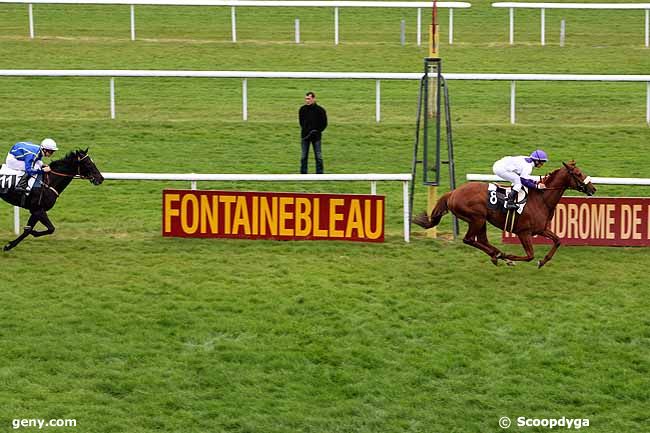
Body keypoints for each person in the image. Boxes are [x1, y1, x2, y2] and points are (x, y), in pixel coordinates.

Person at [298, 91, 327, 174]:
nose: (307, 101)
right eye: (306, 99)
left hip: (316, 137)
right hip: (305, 137)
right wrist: (306, 132)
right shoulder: (302, 109)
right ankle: (303, 173)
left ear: (313, 99)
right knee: (303, 156)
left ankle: (320, 173)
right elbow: (301, 122)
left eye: (309, 99)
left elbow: (324, 123)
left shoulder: (320, 110)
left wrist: (317, 131)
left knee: (318, 156)